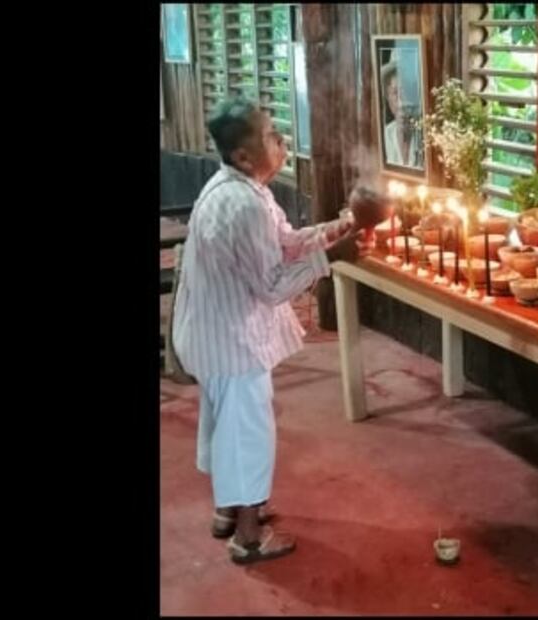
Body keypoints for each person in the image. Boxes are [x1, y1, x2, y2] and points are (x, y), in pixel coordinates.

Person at [172, 97, 365, 565]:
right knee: (247, 433)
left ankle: (227, 511)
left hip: (209, 332)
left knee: (225, 422)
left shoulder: (240, 188)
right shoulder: (243, 205)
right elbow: (273, 284)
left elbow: (284, 241)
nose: (282, 141)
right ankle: (249, 537)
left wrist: (336, 229)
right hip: (230, 341)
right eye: (271, 136)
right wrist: (330, 258)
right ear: (243, 155)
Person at [381, 59, 423, 168]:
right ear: (388, 98)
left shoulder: (424, 135)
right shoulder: (384, 137)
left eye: (405, 92)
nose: (401, 102)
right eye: (395, 93)